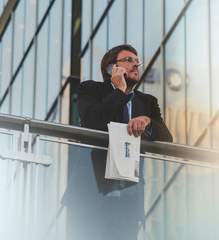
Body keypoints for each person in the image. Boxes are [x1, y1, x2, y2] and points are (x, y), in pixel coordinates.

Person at [62, 44, 172, 240]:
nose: (136, 65)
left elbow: (167, 140)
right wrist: (119, 91)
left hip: (128, 204)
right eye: (129, 60)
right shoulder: (90, 89)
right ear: (111, 68)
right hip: (90, 196)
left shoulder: (148, 102)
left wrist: (147, 121)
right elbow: (92, 120)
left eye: (137, 62)